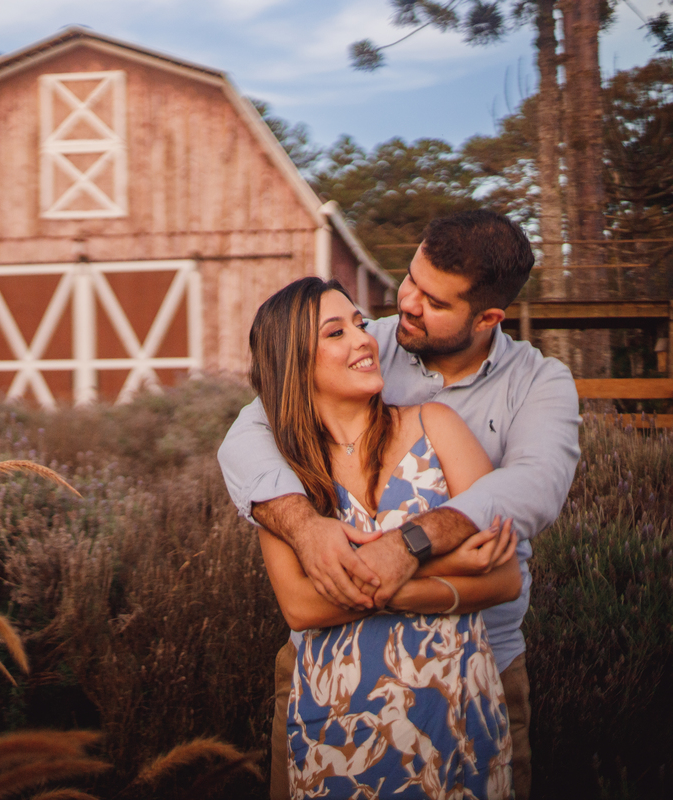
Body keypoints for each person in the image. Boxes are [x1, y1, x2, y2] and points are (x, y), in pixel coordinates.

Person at [218, 210, 581, 800]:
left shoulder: (539, 384)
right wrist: (306, 527)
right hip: (330, 681)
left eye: (433, 301)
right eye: (409, 278)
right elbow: (249, 434)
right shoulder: (369, 344)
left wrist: (407, 550)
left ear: (487, 317)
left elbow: (533, 487)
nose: (405, 304)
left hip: (472, 664)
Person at [253, 277, 520, 796]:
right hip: (339, 727)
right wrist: (451, 568)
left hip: (456, 711)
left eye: (359, 323)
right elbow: (301, 609)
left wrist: (365, 578)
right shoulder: (284, 476)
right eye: (336, 332)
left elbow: (505, 577)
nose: (363, 339)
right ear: (293, 360)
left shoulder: (437, 426)